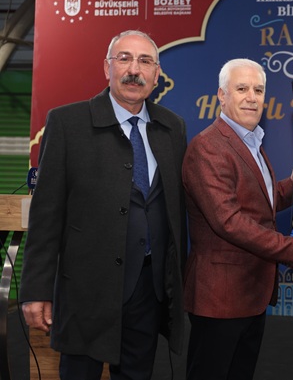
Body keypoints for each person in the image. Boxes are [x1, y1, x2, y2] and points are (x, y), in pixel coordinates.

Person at [19, 30, 187, 380]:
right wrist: (35, 290)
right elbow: (46, 215)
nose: (134, 70)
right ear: (107, 68)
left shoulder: (172, 128)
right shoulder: (67, 124)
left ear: (157, 75)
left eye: (145, 61)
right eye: (124, 58)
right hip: (85, 291)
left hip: (147, 290)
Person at [182, 58, 293, 380]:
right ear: (221, 95)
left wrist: (292, 187)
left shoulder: (250, 141)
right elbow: (229, 221)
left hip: (251, 294)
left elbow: (258, 205)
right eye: (242, 89)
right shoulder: (208, 147)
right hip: (220, 298)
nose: (252, 97)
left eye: (258, 90)